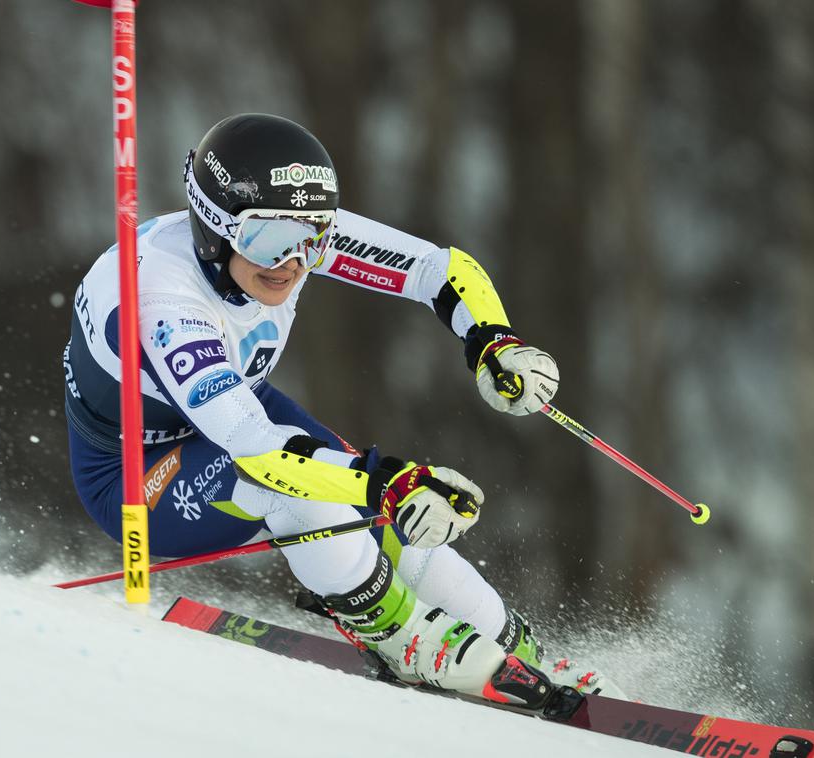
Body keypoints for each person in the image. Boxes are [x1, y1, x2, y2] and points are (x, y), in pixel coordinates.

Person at [63, 113, 619, 703]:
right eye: (274, 240)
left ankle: (516, 651)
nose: (295, 262)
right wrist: (382, 482)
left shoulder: (283, 239)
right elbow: (255, 449)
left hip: (238, 413)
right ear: (213, 226)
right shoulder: (161, 298)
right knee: (317, 485)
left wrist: (491, 342)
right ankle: (397, 635)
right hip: (136, 474)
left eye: (314, 236)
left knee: (383, 511)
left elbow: (439, 271)